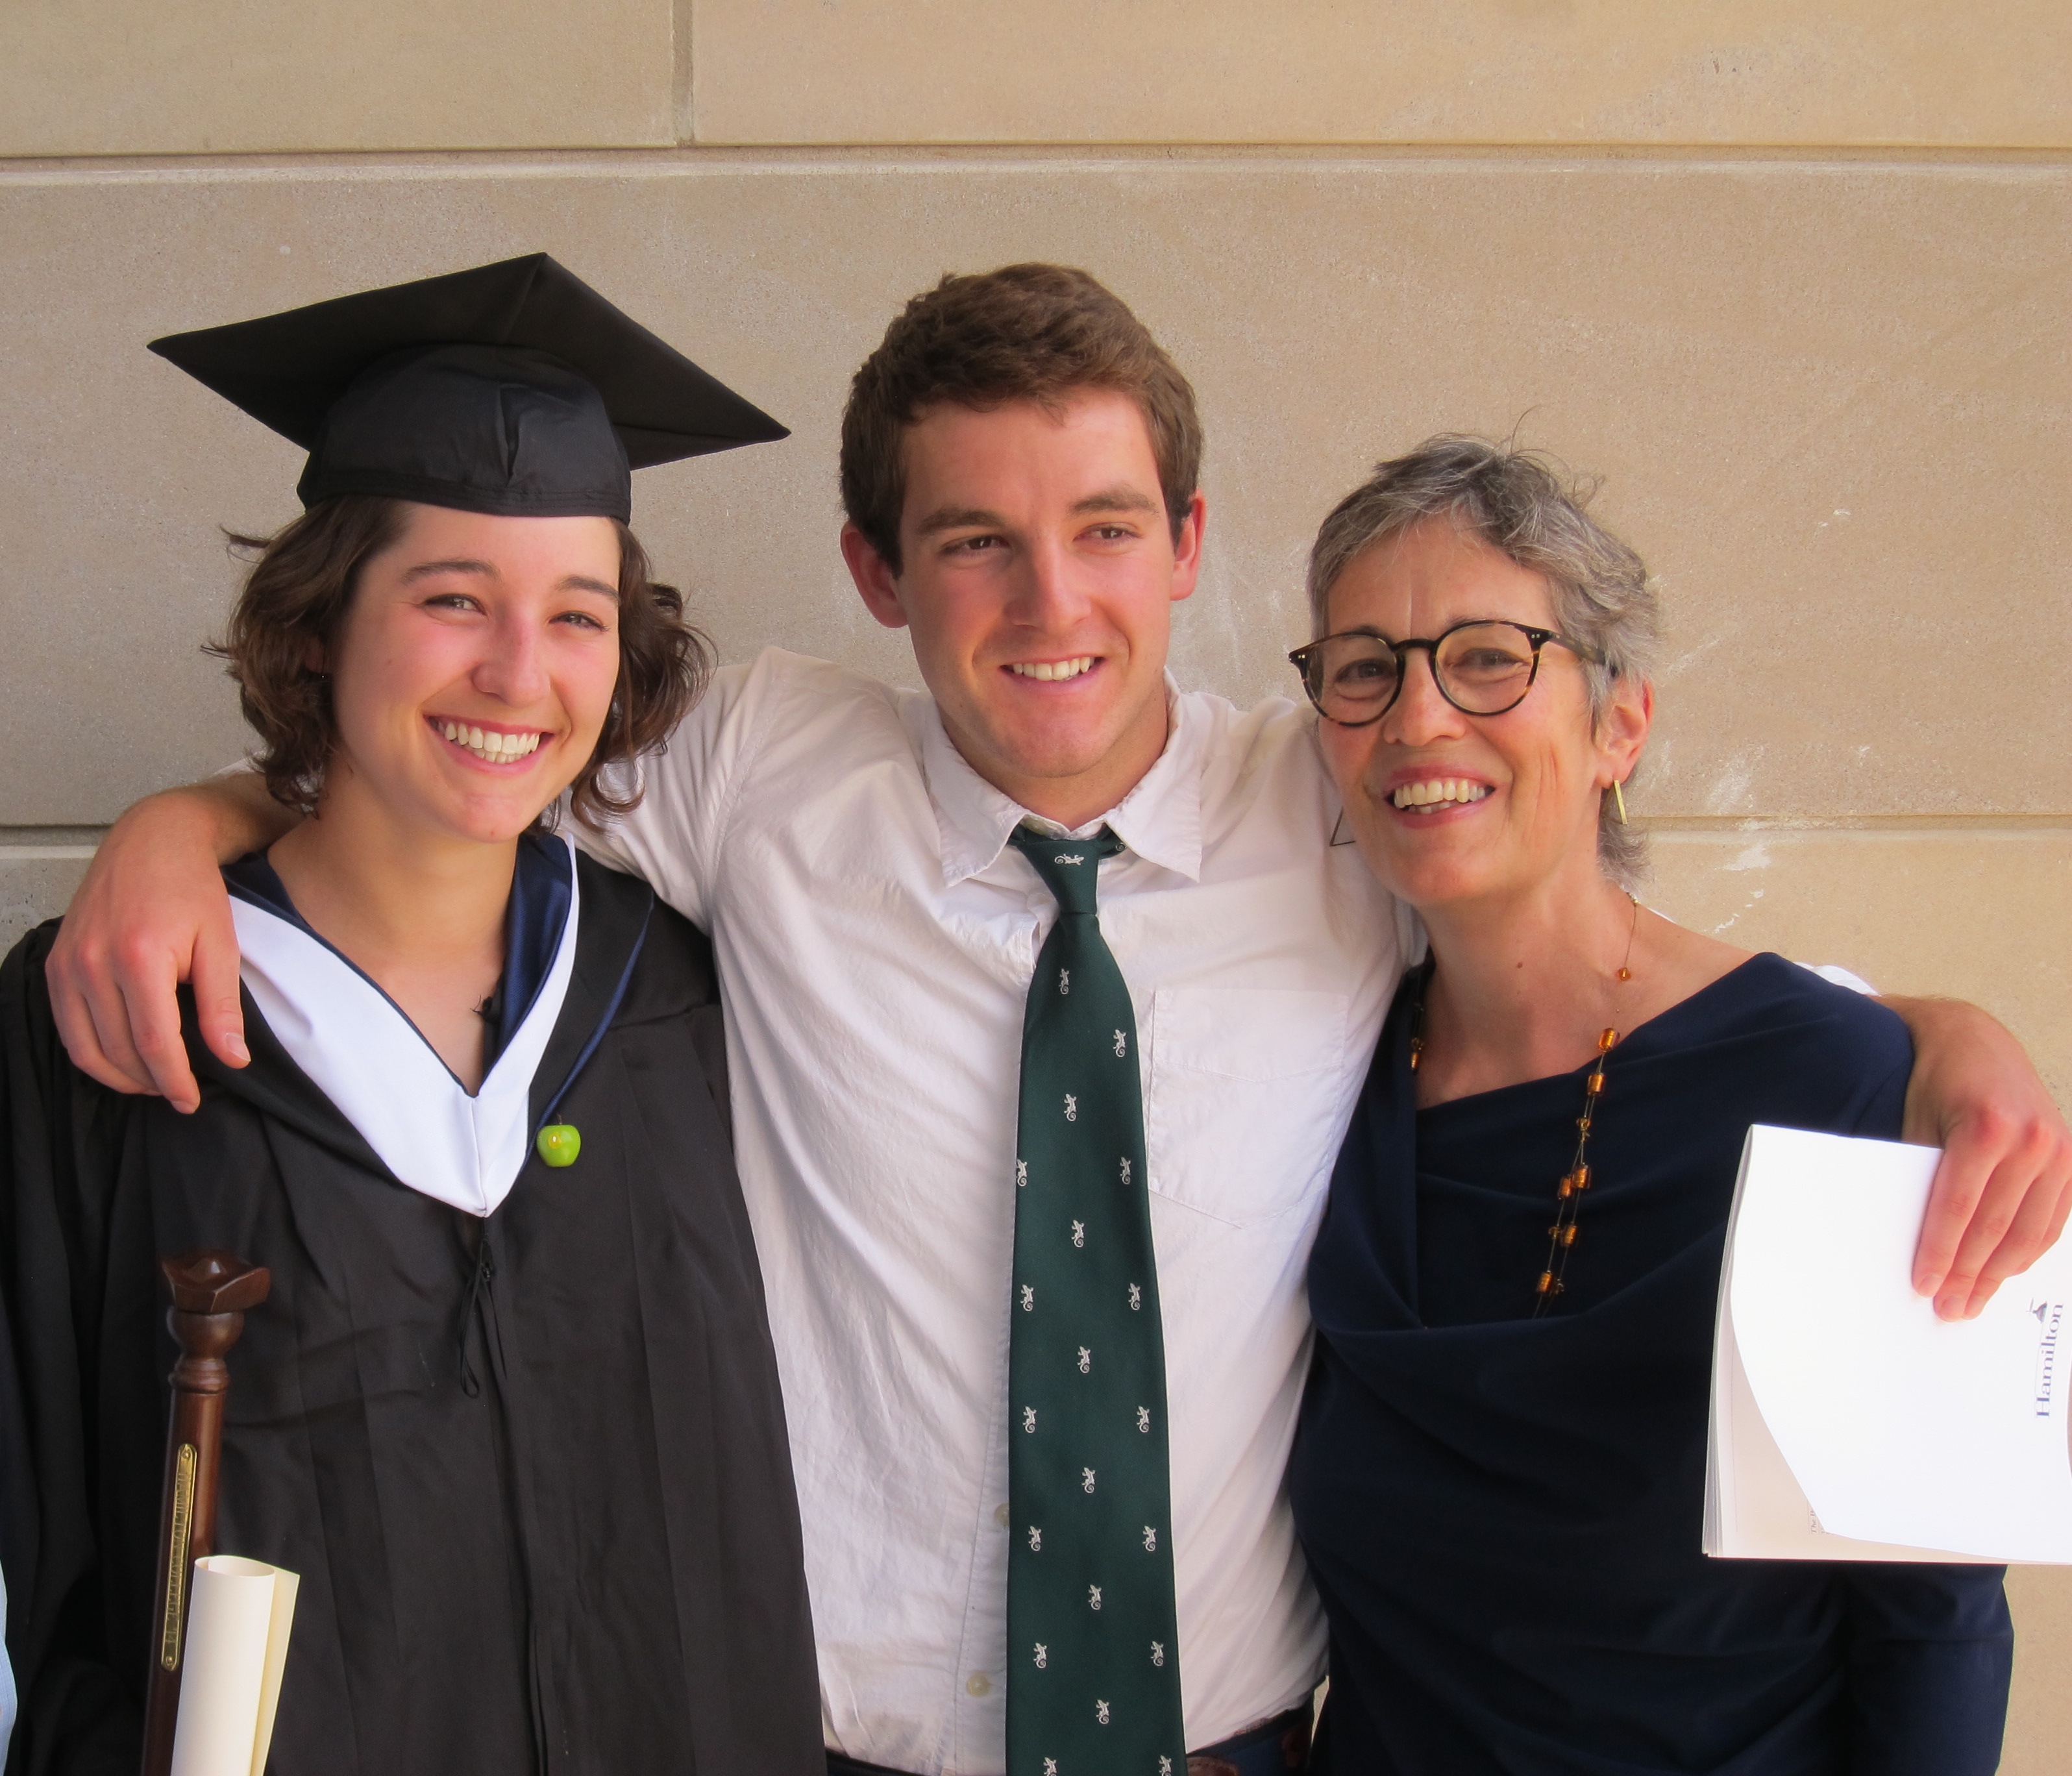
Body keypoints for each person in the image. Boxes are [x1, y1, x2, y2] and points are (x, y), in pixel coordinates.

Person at [36, 267, 2071, 1776]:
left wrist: (1922, 1036)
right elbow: (452, 752)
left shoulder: (1340, 787)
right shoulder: (755, 770)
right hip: (839, 1741)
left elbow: (1586, 937)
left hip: (1247, 1743)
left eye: (1106, 531)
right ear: (870, 568)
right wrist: (185, 829)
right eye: (973, 543)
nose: (1051, 605)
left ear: (1189, 547)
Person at [0, 256, 824, 1775]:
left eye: (578, 616)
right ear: (320, 626)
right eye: (453, 599)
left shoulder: (681, 999)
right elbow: (42, 1540)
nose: (520, 670)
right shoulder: (116, 1023)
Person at [1287, 437, 2015, 1773]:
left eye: (1490, 658)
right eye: (1362, 669)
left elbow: (1933, 1623)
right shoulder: (1323, 1087)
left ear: (1620, 724)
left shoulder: (1831, 1087)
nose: (1417, 718)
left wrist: (1947, 1034)